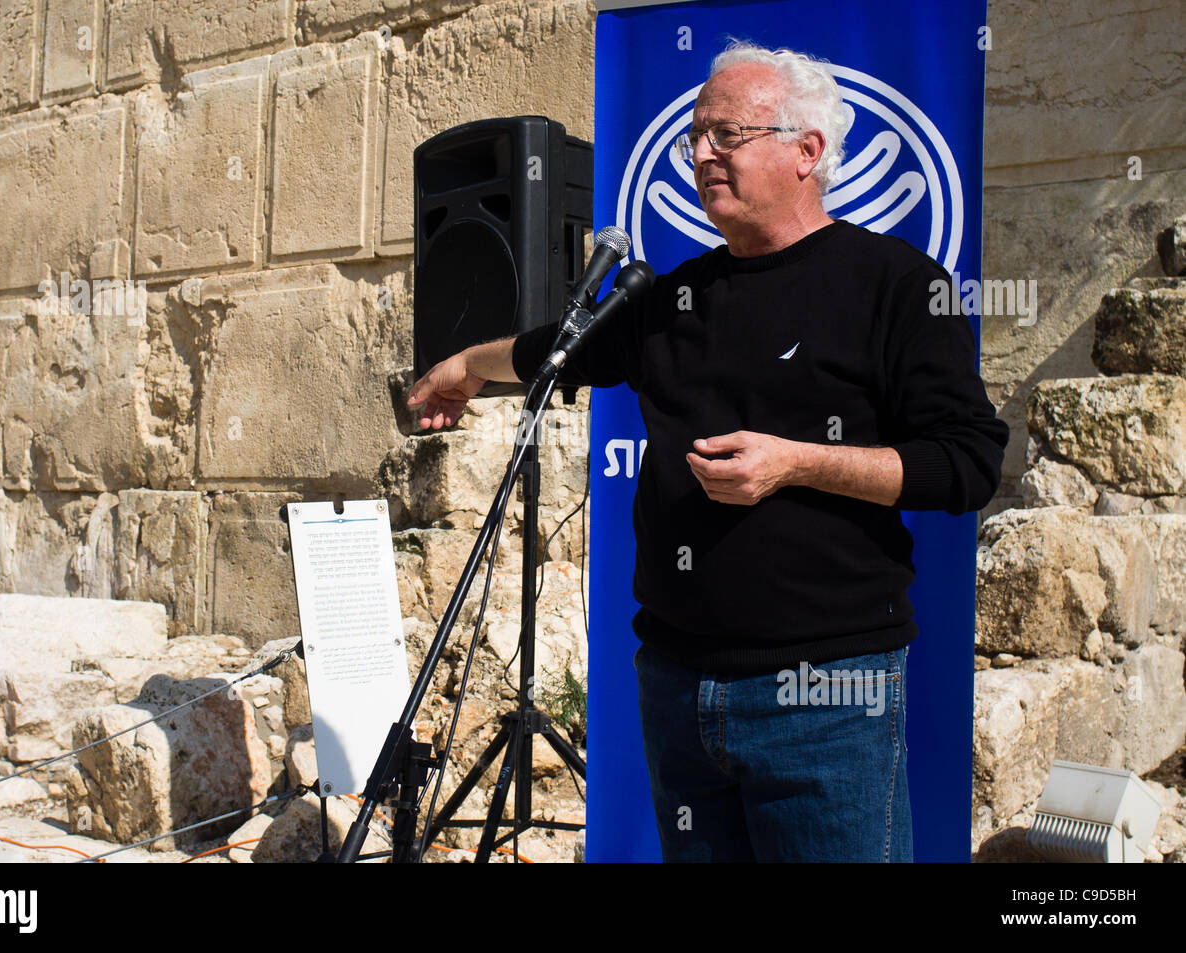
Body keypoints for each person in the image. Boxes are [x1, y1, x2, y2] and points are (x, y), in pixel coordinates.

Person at [405, 41, 1009, 862]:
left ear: (808, 151)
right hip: (679, 687)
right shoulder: (675, 298)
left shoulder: (897, 285)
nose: (700, 154)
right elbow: (555, 349)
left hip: (825, 697)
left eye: (728, 134)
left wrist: (797, 462)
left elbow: (967, 463)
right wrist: (463, 369)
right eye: (695, 136)